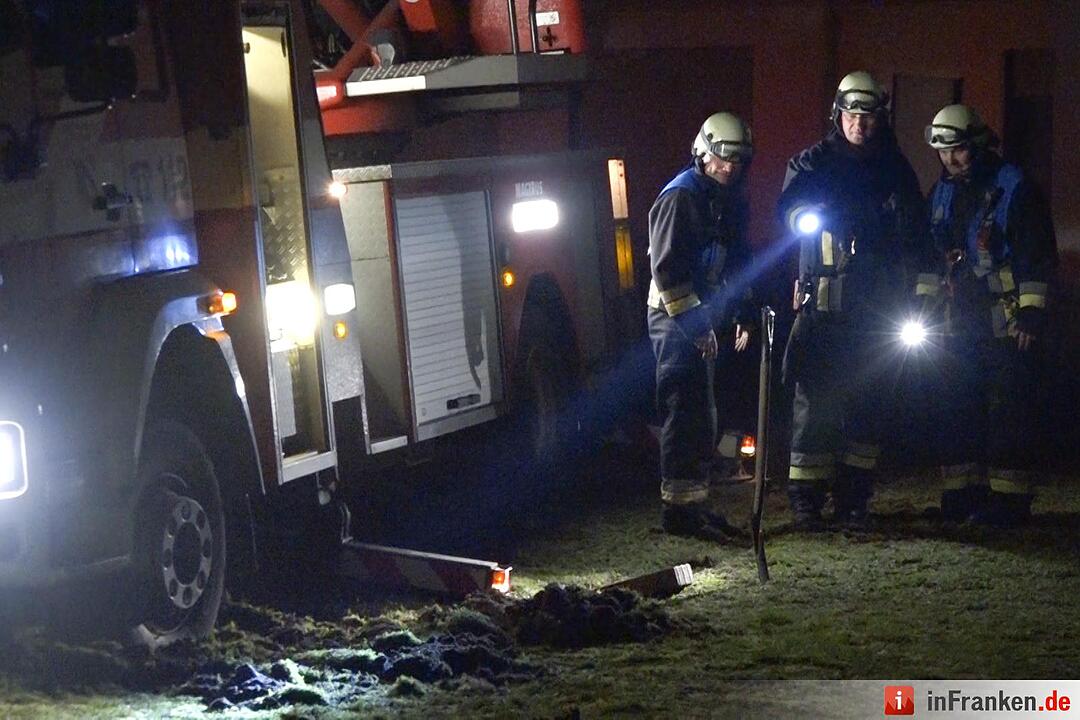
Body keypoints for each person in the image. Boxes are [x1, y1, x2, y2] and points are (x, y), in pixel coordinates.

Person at [779, 71, 926, 531]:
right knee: (815, 404)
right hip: (824, 304)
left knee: (868, 403)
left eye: (868, 116)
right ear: (837, 115)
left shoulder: (895, 169)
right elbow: (789, 210)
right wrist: (808, 215)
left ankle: (854, 499)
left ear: (879, 119)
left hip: (876, 308)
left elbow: (916, 234)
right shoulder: (811, 164)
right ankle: (807, 501)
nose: (859, 125)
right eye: (851, 115)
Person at [921, 103, 1057, 526]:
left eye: (958, 150)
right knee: (957, 405)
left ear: (977, 145)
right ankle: (962, 496)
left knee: (1007, 409)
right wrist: (926, 305)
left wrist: (1031, 317)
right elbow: (929, 252)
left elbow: (1037, 256)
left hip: (1006, 320)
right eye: (943, 152)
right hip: (958, 320)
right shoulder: (942, 191)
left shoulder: (1014, 187)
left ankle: (1010, 501)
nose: (950, 160)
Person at [647, 111, 755, 541]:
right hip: (676, 321)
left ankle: (695, 505)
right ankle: (679, 513)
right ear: (703, 152)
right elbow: (668, 271)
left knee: (701, 416)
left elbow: (734, 261)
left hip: (699, 320)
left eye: (738, 160)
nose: (730, 167)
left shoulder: (719, 198)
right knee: (684, 412)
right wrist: (698, 326)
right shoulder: (681, 198)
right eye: (723, 159)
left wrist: (741, 313)